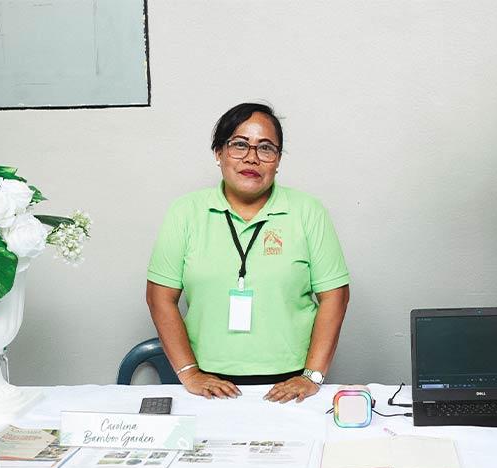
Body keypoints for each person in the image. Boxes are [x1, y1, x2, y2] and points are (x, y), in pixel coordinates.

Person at [146, 103, 350, 402]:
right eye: (239, 145)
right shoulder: (185, 212)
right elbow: (159, 296)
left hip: (289, 385)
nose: (252, 158)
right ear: (218, 153)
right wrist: (190, 372)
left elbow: (336, 295)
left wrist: (312, 376)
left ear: (278, 160)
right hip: (207, 384)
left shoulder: (308, 212)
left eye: (266, 148)